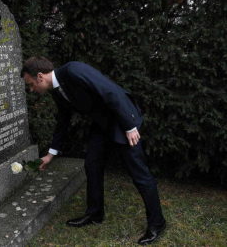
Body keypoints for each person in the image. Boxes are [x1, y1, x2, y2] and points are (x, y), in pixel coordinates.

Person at [21, 56, 166, 245]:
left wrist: (129, 126)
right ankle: (95, 214)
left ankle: (157, 223)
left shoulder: (73, 70)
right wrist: (51, 154)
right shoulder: (56, 90)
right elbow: (63, 120)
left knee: (139, 173)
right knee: (92, 165)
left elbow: (111, 91)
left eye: (31, 85)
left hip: (122, 120)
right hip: (102, 124)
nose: (32, 90)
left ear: (40, 76)